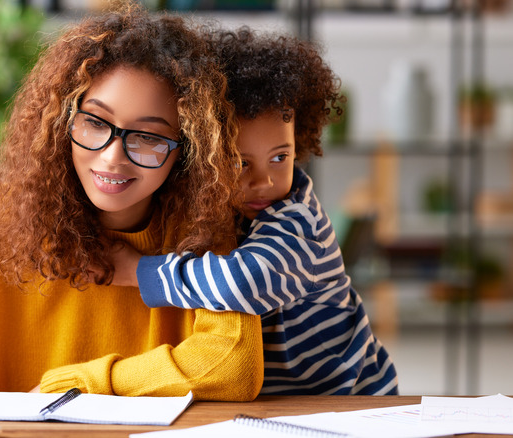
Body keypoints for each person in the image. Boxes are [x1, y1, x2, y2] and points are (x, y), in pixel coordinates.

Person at [0, 5, 264, 413]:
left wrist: (75, 385)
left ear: (186, 150)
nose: (113, 157)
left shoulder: (202, 228)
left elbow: (233, 366)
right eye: (95, 123)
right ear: (63, 122)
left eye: (148, 137)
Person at [110, 28, 399, 395]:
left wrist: (139, 272)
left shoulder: (298, 224)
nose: (263, 180)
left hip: (350, 399)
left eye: (280, 157)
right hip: (279, 403)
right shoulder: (226, 214)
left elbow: (243, 282)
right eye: (237, 163)